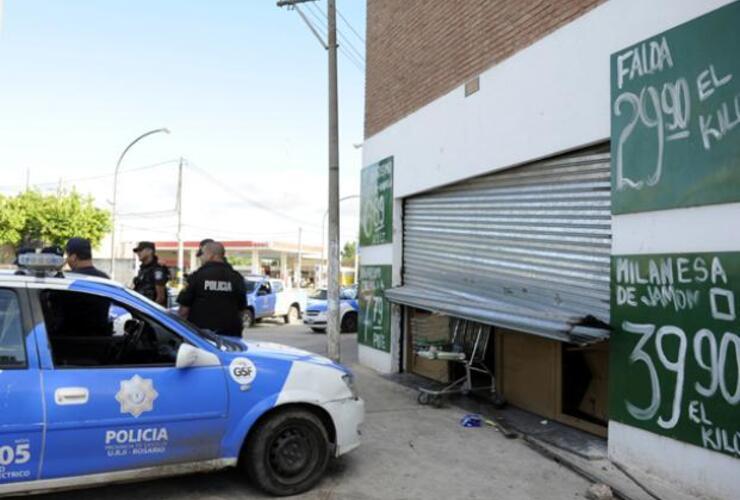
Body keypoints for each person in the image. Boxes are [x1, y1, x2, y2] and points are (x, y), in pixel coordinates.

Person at [177, 241, 246, 337]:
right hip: (230, 336)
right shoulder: (237, 278)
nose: (201, 258)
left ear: (211, 255)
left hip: (201, 338)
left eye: (202, 254)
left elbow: (183, 311)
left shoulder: (195, 277)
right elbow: (242, 309)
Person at [132, 241, 169, 307]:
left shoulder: (158, 269)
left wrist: (146, 311)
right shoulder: (143, 268)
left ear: (150, 251)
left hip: (149, 313)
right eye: (137, 251)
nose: (138, 253)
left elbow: (160, 298)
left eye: (140, 251)